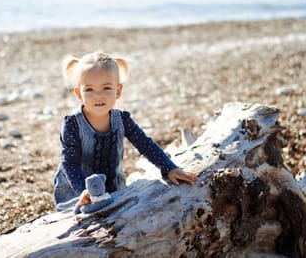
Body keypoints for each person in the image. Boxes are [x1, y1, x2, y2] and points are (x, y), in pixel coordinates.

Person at [53, 52, 198, 210]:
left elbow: (145, 144)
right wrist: (82, 190)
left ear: (118, 91)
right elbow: (70, 163)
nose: (98, 96)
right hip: (76, 189)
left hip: (113, 185)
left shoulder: (121, 119)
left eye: (106, 88)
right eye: (89, 90)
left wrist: (169, 167)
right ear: (78, 93)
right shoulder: (73, 123)